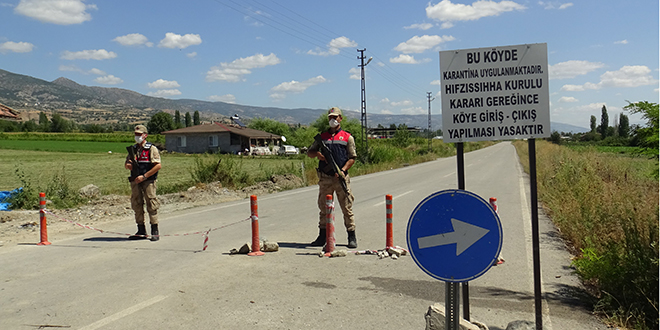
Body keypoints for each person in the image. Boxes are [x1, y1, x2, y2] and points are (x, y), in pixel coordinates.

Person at [307, 107, 358, 248]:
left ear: (341, 118)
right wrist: (318, 154)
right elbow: (310, 152)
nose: (333, 120)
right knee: (323, 208)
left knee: (346, 207)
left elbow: (352, 158)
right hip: (325, 178)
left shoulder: (347, 137)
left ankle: (351, 236)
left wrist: (342, 170)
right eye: (330, 117)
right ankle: (322, 236)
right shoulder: (322, 137)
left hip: (340, 177)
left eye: (335, 117)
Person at [125, 124, 162, 241]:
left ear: (145, 135)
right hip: (135, 180)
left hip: (148, 180)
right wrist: (129, 165)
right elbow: (126, 164)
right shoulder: (133, 150)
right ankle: (141, 230)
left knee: (151, 203)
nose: (137, 136)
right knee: (136, 203)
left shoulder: (151, 149)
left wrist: (144, 176)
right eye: (136, 134)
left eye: (139, 134)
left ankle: (154, 230)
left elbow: (158, 166)